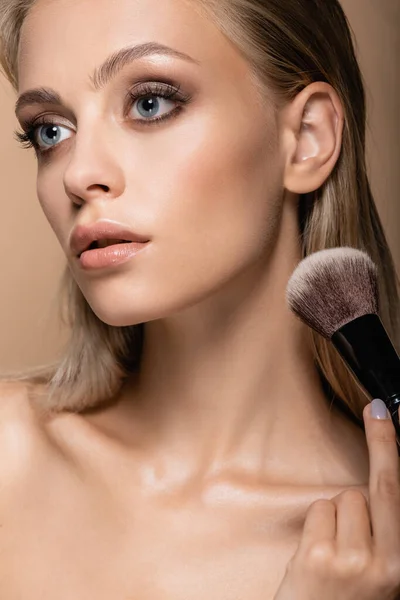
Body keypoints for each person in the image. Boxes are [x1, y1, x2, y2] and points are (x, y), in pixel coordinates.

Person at [0, 0, 399, 597]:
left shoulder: (376, 544)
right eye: (51, 131)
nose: (78, 175)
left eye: (150, 102)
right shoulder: (9, 458)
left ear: (306, 139)